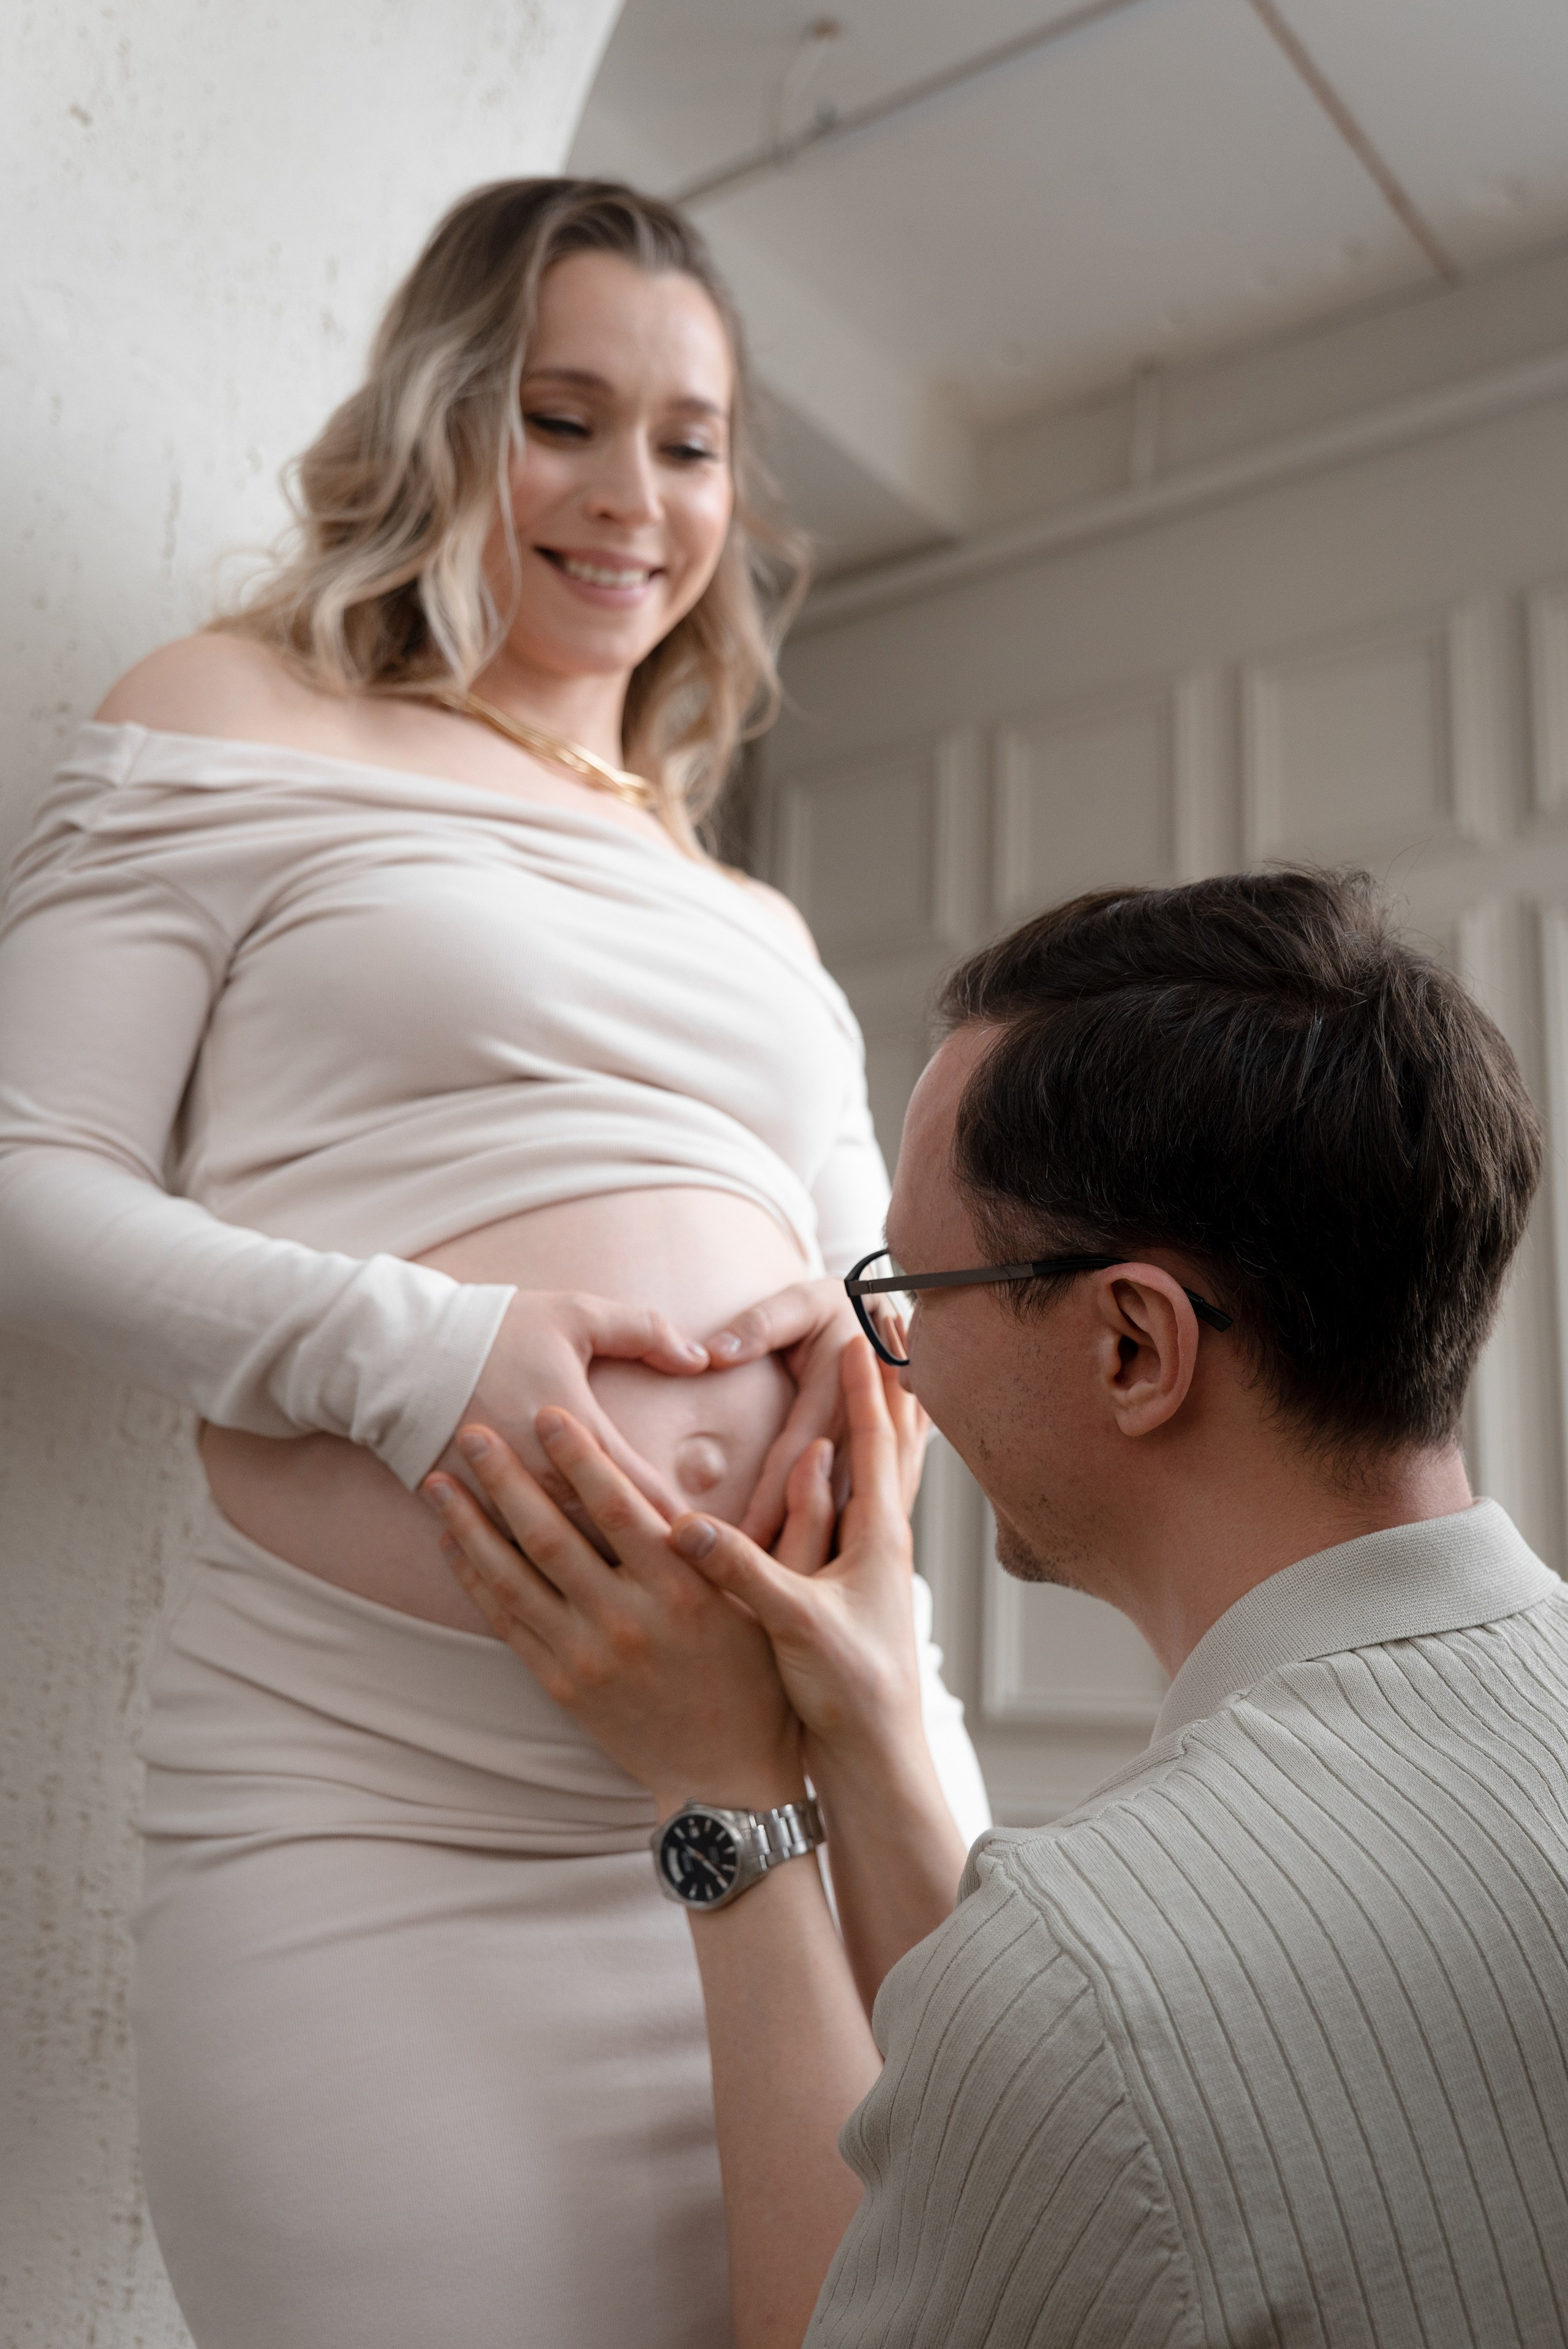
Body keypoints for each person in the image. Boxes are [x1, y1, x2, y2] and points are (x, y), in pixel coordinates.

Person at [0, 178, 989, 2349]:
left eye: (693, 439)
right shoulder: (231, 717)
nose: (633, 496)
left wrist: (867, 1404)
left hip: (797, 1813)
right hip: (380, 1843)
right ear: (450, 419)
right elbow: (27, 1179)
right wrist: (421, 1354)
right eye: (565, 415)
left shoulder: (757, 922)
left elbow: (869, 1292)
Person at [432, 869, 1568, 2348]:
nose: (893, 1364)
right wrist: (873, 1724)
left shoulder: (1091, 1986)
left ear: (1128, 1345)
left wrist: (724, 1799)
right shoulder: (1080, 1987)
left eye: (910, 1285)